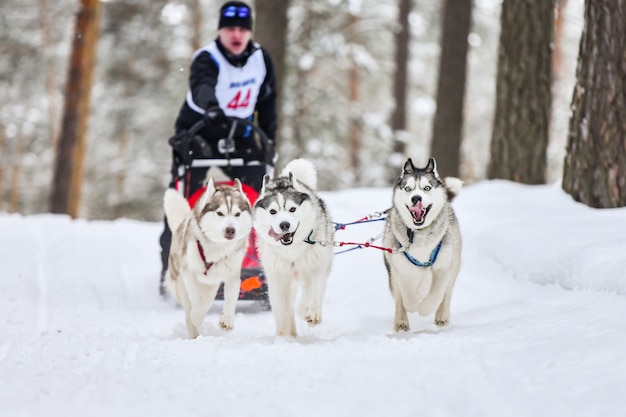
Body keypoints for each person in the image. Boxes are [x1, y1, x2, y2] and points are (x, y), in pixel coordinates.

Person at [159, 0, 277, 296]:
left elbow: (267, 104)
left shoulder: (261, 58)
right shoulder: (206, 58)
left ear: (249, 32)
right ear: (220, 31)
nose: (236, 35)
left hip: (241, 132)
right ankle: (172, 266)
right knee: (182, 197)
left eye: (241, 29)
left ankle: (257, 264)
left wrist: (270, 141)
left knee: (257, 189)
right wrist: (211, 106)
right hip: (198, 131)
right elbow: (202, 85)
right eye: (229, 29)